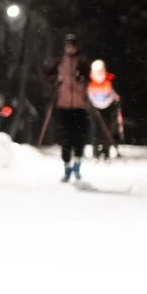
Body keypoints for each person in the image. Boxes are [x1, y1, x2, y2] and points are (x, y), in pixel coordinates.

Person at [43, 33, 90, 182]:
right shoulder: (59, 63)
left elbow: (90, 78)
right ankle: (67, 166)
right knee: (65, 138)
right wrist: (55, 80)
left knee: (79, 138)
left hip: (80, 106)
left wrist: (82, 79)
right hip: (63, 106)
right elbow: (48, 77)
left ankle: (77, 164)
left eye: (72, 46)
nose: (70, 48)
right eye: (68, 46)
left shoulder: (82, 63)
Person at [87, 59, 121, 160]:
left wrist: (116, 100)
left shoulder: (109, 79)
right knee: (95, 130)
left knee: (106, 129)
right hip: (94, 108)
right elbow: (86, 93)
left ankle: (106, 151)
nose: (99, 73)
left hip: (108, 107)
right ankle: (95, 152)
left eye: (101, 70)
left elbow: (115, 93)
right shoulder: (89, 80)